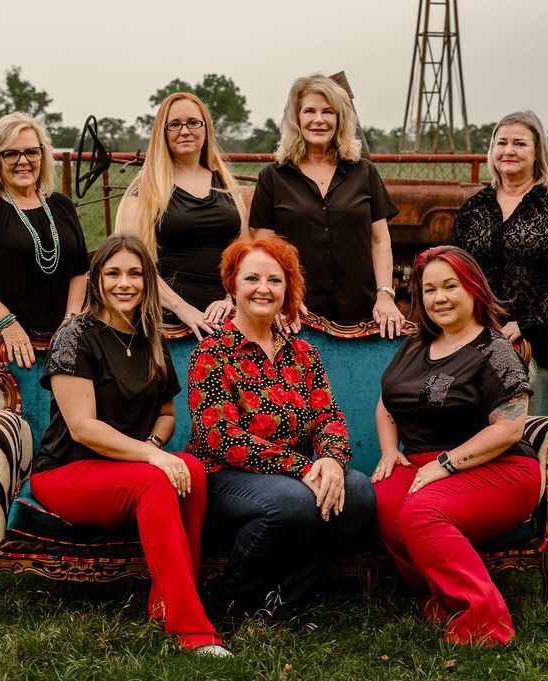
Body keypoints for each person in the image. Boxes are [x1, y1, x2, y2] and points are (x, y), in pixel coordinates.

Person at [28, 233, 229, 657]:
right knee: (154, 481)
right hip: (67, 471)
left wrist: (155, 446)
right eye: (113, 273)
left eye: (136, 274)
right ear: (97, 279)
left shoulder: (149, 337)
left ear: (148, 282)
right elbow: (83, 428)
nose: (125, 283)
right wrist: (154, 457)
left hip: (128, 466)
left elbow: (167, 414)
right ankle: (191, 630)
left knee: (190, 470)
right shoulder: (75, 337)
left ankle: (167, 599)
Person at [185, 236, 376, 619]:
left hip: (295, 473)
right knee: (290, 501)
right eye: (251, 278)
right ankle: (231, 597)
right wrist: (304, 467)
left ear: (287, 289)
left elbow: (329, 417)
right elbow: (221, 438)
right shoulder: (211, 353)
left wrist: (333, 461)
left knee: (358, 491)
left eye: (275, 280)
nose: (263, 288)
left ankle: (290, 599)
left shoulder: (303, 353)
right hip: (225, 476)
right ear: (232, 286)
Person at [371, 245, 539, 647]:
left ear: (474, 289)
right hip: (425, 464)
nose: (439, 298)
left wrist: (445, 464)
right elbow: (386, 402)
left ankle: (484, 622)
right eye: (429, 290)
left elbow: (510, 429)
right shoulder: (415, 345)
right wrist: (390, 451)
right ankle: (437, 597)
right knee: (381, 502)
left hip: (499, 468)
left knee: (420, 514)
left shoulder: (495, 351)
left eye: (450, 286)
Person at [0, 112, 88, 412]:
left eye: (31, 151)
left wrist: (69, 324)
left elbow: (80, 271)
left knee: (59, 436)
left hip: (57, 342)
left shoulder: (61, 207)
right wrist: (8, 323)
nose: (23, 161)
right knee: (5, 444)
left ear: (43, 155)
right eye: (11, 153)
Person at [451, 110, 548, 415]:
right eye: (502, 143)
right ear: (492, 151)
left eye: (519, 143)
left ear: (537, 152)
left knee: (533, 431)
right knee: (487, 429)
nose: (509, 150)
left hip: (545, 341)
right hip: (483, 337)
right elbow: (457, 269)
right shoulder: (475, 207)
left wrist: (526, 324)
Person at [249, 74, 402, 336]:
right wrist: (283, 298)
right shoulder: (273, 176)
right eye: (310, 111)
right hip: (297, 313)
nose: (318, 120)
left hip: (361, 312)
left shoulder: (364, 172)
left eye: (328, 112)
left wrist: (385, 295)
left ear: (339, 119)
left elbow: (379, 241)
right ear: (296, 119)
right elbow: (265, 248)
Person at [116, 92, 249, 339]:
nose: (184, 130)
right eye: (174, 124)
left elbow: (245, 253)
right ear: (162, 133)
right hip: (168, 323)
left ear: (206, 128)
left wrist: (232, 299)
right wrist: (183, 309)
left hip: (227, 316)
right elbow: (133, 264)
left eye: (193, 122)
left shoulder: (226, 185)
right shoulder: (143, 191)